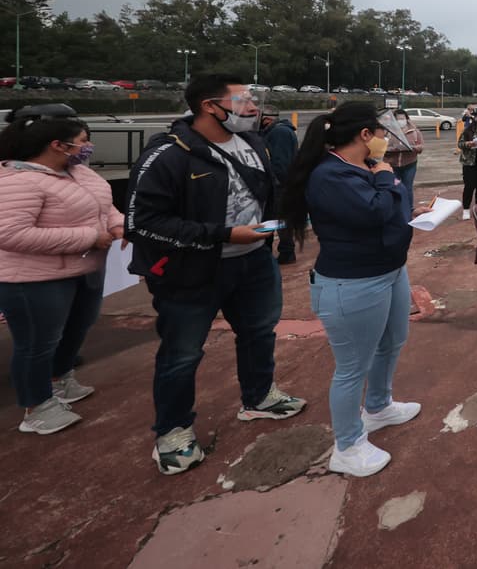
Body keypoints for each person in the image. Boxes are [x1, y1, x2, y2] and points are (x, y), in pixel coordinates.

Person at [126, 74, 305, 475]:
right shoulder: (169, 155)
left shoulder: (253, 144)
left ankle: (259, 397)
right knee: (182, 353)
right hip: (193, 271)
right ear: (210, 106)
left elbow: (268, 193)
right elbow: (142, 222)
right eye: (243, 101)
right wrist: (222, 235)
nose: (254, 108)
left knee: (260, 332)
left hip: (254, 260)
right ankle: (172, 431)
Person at [281, 102, 432, 476]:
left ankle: (378, 407)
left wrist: (410, 213)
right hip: (353, 282)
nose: (385, 141)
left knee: (392, 341)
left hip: (390, 271)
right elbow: (372, 211)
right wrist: (384, 177)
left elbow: (384, 208)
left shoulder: (361, 168)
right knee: (351, 367)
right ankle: (347, 445)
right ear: (366, 135)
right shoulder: (330, 175)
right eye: (382, 133)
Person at [0, 108, 121, 435]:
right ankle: (36, 406)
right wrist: (89, 237)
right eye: (82, 141)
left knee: (77, 328)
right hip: (36, 280)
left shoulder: (78, 173)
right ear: (58, 145)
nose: (88, 147)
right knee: (36, 343)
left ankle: (60, 380)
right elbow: (10, 234)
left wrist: (118, 225)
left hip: (84, 270)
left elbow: (103, 206)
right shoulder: (17, 180)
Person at [259, 106, 298, 264]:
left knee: (275, 219)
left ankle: (285, 252)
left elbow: (279, 163)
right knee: (280, 219)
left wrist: (274, 184)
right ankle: (285, 251)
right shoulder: (281, 131)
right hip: (283, 184)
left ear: (267, 119)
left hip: (280, 186)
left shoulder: (278, 133)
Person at [384, 109, 424, 202]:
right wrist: (394, 149)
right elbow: (381, 148)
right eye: (398, 119)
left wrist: (411, 148)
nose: (401, 121)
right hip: (391, 165)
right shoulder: (387, 131)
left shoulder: (414, 131)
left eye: (403, 118)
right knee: (394, 188)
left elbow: (421, 147)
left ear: (407, 119)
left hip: (409, 164)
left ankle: (409, 209)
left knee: (408, 188)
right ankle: (395, 210)